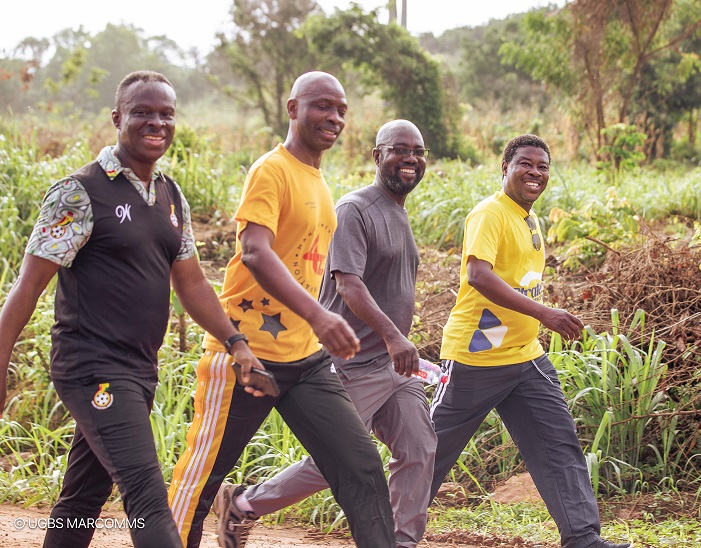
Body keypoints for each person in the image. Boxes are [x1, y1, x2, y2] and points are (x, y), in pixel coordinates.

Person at [0, 71, 263, 548]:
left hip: (139, 369)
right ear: (118, 118)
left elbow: (192, 282)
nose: (156, 122)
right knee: (145, 492)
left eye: (166, 114)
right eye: (143, 112)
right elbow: (27, 286)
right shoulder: (79, 193)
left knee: (83, 498)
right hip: (93, 370)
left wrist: (236, 343)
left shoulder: (170, 195)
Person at [167, 71, 395, 548]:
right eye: (321, 106)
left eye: (341, 110)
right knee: (201, 479)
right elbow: (254, 249)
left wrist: (315, 324)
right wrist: (319, 314)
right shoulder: (271, 169)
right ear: (293, 109)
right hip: (246, 353)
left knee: (360, 465)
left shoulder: (317, 178)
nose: (333, 118)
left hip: (305, 359)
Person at [214, 119, 437, 548]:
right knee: (340, 458)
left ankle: (402, 541)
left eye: (419, 151)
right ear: (377, 156)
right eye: (399, 150)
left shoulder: (399, 214)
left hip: (395, 366)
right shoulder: (357, 209)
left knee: (419, 446)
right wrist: (393, 336)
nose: (411, 159)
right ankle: (243, 504)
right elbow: (348, 283)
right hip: (356, 361)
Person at [428, 134, 633, 548]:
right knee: (432, 450)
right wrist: (546, 314)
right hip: (477, 357)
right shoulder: (490, 213)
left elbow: (521, 282)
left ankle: (582, 538)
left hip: (525, 357)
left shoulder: (529, 217)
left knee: (558, 443)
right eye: (525, 164)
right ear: (504, 168)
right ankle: (380, 521)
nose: (535, 173)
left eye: (542, 166)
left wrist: (539, 317)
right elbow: (479, 276)